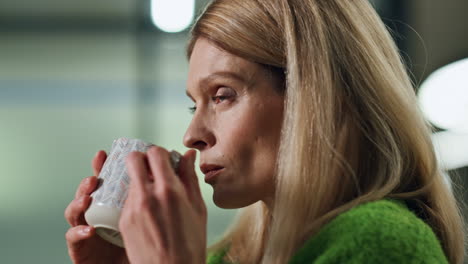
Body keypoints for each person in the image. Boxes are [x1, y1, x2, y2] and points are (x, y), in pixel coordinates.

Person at [64, 0, 466, 263]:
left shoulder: (381, 243)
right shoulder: (224, 259)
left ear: (314, 97)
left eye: (221, 96)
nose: (192, 134)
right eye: (194, 103)